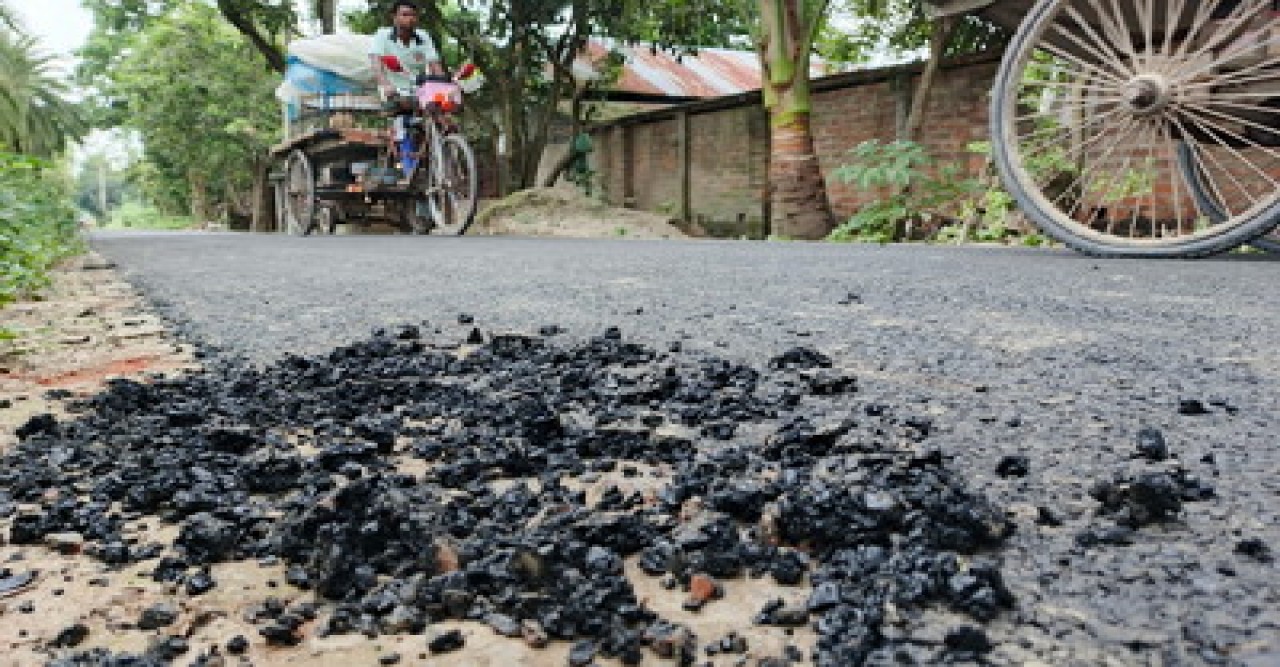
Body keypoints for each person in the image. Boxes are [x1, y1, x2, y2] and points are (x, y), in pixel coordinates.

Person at [368, 1, 445, 109]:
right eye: (405, 15)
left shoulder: (423, 36)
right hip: (392, 90)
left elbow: (435, 65)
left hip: (420, 89)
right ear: (394, 17)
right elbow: (376, 63)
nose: (410, 18)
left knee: (442, 111)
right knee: (401, 111)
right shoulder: (382, 34)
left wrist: (444, 84)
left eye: (413, 15)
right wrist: (385, 84)